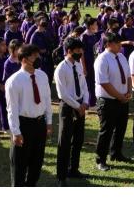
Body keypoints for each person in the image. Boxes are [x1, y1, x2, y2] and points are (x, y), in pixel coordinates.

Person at [6, 44, 51, 187]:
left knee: (37, 162)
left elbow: (47, 100)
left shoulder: (42, 76)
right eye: (34, 56)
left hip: (39, 124)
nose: (38, 58)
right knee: (20, 164)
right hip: (23, 125)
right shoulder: (14, 81)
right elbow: (11, 109)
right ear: (24, 59)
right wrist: (16, 132)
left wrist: (48, 122)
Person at [93, 33, 131, 171]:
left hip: (122, 99)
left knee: (120, 128)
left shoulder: (121, 57)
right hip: (108, 101)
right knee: (106, 131)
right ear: (108, 44)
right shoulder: (102, 59)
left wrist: (128, 91)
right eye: (117, 43)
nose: (120, 45)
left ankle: (116, 153)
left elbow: (128, 75)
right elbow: (104, 83)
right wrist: (119, 96)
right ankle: (100, 160)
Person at [53, 38, 87, 186]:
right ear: (69, 51)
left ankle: (74, 168)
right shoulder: (61, 68)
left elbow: (84, 85)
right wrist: (76, 106)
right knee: (65, 141)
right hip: (68, 107)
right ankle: (61, 175)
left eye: (81, 50)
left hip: (80, 105)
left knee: (78, 139)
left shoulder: (78, 65)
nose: (80, 53)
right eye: (78, 51)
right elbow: (62, 94)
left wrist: (85, 102)